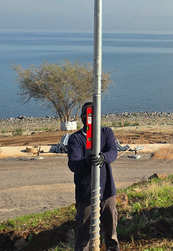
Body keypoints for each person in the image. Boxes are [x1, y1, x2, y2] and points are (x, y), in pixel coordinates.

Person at [67, 102, 119, 251]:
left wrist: (104, 157)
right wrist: (86, 162)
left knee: (111, 232)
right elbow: (73, 164)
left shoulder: (106, 133)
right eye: (87, 115)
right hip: (86, 194)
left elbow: (113, 152)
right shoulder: (75, 139)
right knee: (83, 235)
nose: (89, 118)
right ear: (82, 117)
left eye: (93, 115)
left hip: (107, 192)